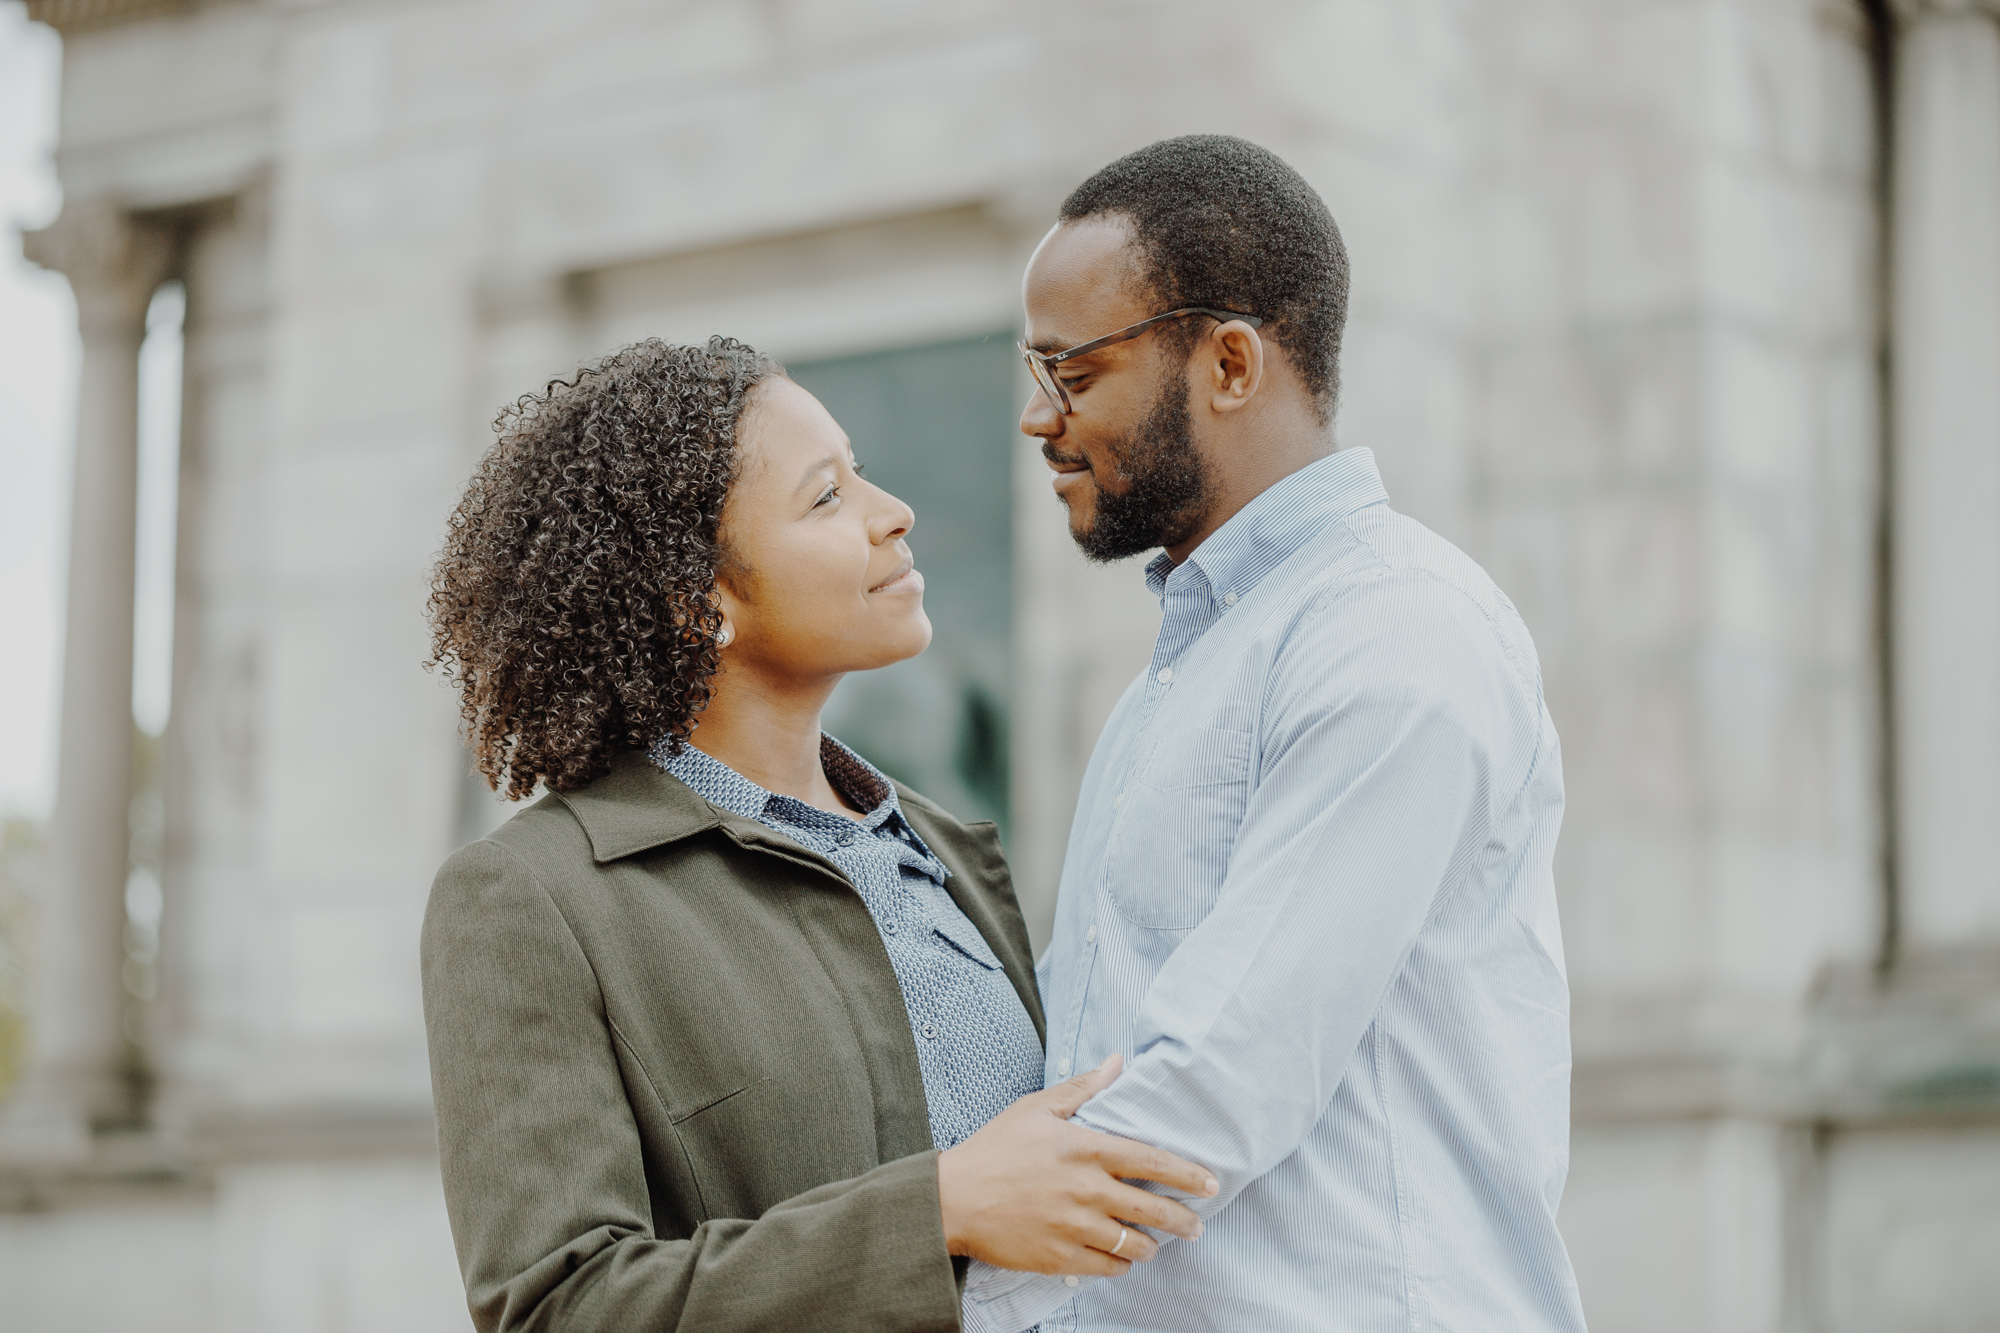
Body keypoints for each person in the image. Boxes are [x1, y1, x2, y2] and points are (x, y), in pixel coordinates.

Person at [419, 336, 1217, 1333]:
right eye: (825, 498)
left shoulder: (940, 853)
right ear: (694, 597)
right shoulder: (529, 897)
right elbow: (557, 1307)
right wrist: (943, 1210)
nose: (893, 513)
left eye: (861, 472)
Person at [962, 137, 1587, 1332]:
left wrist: (909, 1272)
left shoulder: (1389, 628)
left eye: (1071, 374)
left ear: (1230, 362)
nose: (1038, 422)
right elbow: (1088, 1065)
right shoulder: (1190, 665)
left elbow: (1215, 1077)